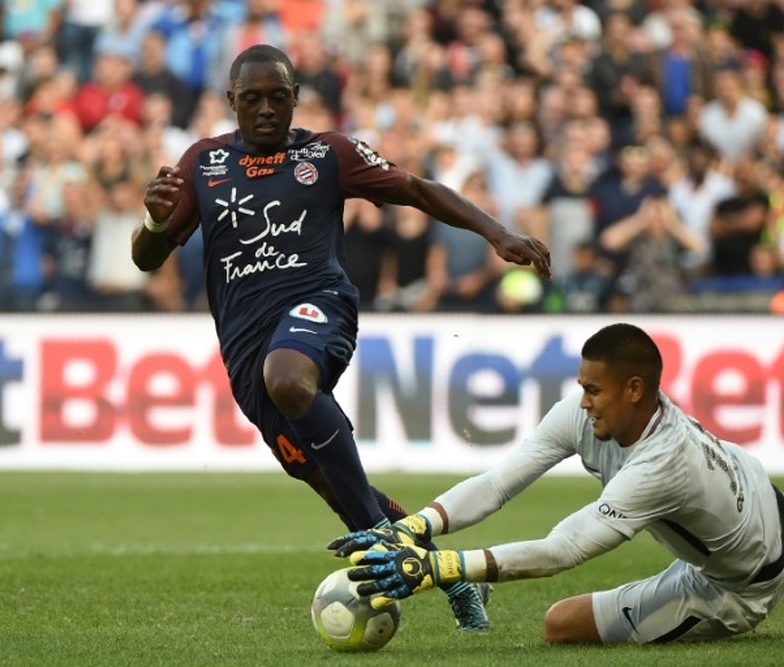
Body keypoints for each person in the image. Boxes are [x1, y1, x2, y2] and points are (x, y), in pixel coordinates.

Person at [132, 44, 551, 631]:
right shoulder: (203, 164)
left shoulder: (328, 153)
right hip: (245, 349)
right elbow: (147, 260)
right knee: (332, 483)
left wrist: (497, 233)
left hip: (319, 306)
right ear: (232, 102)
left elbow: (419, 189)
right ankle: (447, 574)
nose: (267, 110)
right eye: (252, 99)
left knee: (289, 377)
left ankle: (380, 537)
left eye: (279, 97)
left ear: (296, 96)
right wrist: (153, 220)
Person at [328, 323, 784, 645]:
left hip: (736, 584)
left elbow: (564, 548)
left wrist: (438, 567)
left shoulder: (660, 462)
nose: (581, 400)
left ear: (635, 389)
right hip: (764, 506)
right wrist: (415, 527)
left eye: (593, 389)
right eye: (581, 386)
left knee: (560, 625)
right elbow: (499, 482)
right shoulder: (587, 413)